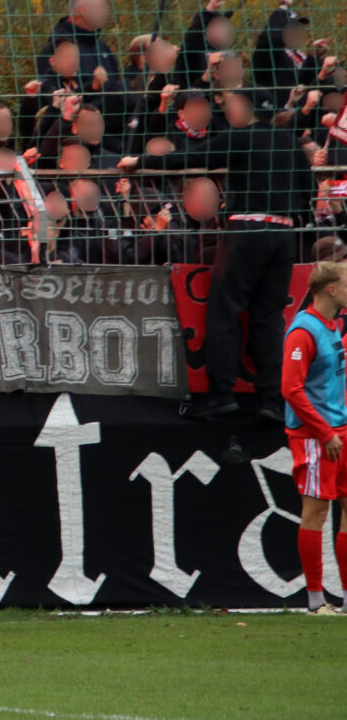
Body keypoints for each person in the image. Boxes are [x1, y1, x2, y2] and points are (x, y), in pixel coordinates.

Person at [121, 88, 315, 420]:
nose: (224, 113)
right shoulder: (288, 142)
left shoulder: (241, 137)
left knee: (224, 312)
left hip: (246, 231)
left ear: (244, 107)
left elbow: (194, 157)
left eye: (228, 106)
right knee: (268, 318)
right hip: (284, 235)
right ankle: (271, 399)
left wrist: (141, 161)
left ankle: (221, 394)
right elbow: (308, 190)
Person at [281, 262, 347, 614]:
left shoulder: (332, 325)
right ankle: (316, 600)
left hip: (340, 429)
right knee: (316, 513)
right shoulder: (302, 332)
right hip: (315, 435)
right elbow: (291, 390)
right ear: (331, 290)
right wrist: (324, 433)